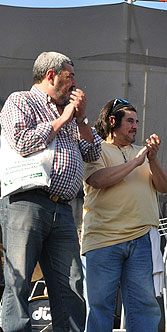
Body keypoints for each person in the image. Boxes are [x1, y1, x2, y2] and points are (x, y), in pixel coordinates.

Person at [0, 51, 102, 332]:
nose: (75, 84)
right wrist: (63, 118)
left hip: (63, 208)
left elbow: (93, 153)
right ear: (51, 75)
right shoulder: (20, 101)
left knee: (71, 284)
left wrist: (80, 120)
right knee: (19, 280)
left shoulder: (71, 116)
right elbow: (22, 142)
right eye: (70, 77)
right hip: (26, 202)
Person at [81, 98, 167, 332]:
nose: (135, 127)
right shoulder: (95, 148)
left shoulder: (142, 154)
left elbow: (164, 187)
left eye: (137, 122)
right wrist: (136, 162)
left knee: (144, 307)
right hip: (104, 241)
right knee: (100, 307)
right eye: (130, 121)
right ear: (113, 121)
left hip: (141, 240)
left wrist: (152, 159)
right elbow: (97, 180)